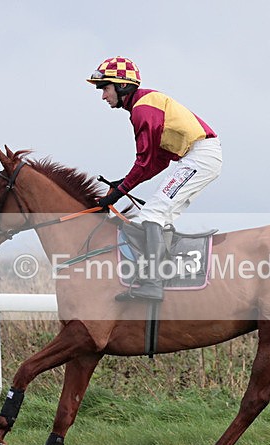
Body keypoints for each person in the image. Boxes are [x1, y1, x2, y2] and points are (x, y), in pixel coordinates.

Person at [87, 56, 222, 301]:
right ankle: (165, 275)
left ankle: (153, 282)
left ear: (122, 86)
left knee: (151, 215)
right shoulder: (143, 106)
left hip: (199, 156)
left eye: (105, 88)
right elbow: (157, 161)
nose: (103, 96)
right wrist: (122, 185)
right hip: (197, 157)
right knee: (156, 216)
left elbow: (145, 161)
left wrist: (118, 193)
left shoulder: (142, 110)